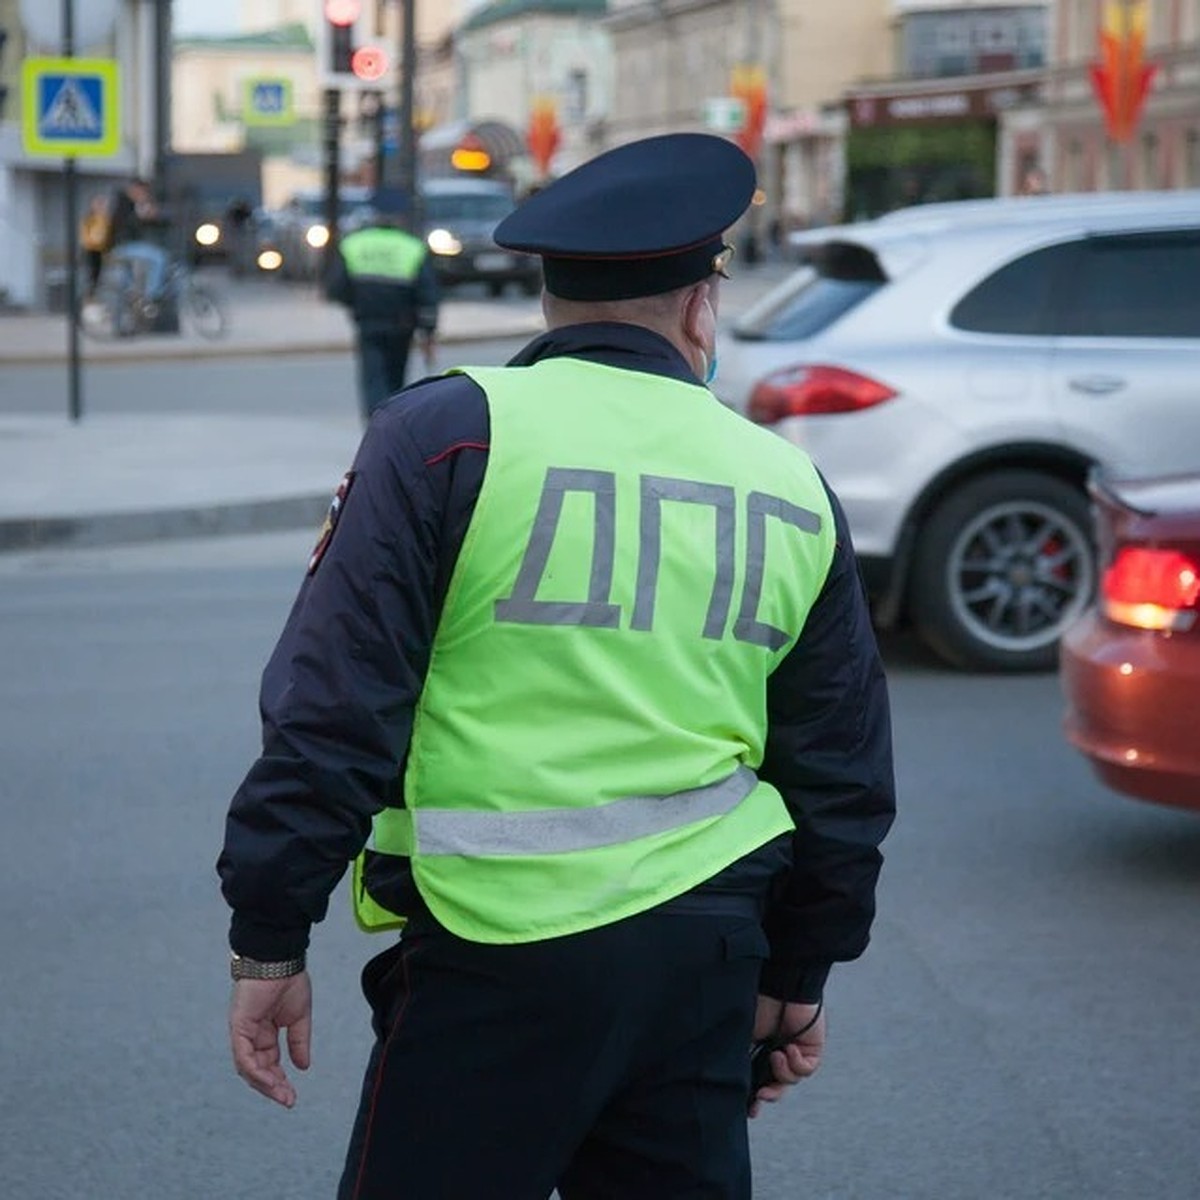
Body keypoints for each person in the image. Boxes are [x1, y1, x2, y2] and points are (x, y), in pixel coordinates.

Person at [217, 132, 895, 1199]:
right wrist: (796, 976)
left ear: (548, 300)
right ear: (699, 306)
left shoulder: (449, 436)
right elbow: (841, 766)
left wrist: (269, 935)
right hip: (706, 956)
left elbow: (333, 708)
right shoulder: (788, 484)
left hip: (497, 951)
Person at [323, 187, 440, 422]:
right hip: (403, 324)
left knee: (373, 378)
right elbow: (428, 293)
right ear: (400, 216)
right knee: (396, 376)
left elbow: (336, 288)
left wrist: (356, 304)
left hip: (367, 322)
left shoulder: (353, 244)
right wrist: (428, 330)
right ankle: (392, 424)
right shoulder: (412, 247)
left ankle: (375, 426)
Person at [80, 193, 112, 297]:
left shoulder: (106, 218)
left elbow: (109, 234)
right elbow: (85, 236)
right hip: (92, 250)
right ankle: (91, 293)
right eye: (97, 203)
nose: (100, 206)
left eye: (102, 204)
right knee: (92, 273)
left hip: (104, 250)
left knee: (99, 275)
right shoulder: (89, 219)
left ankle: (95, 292)